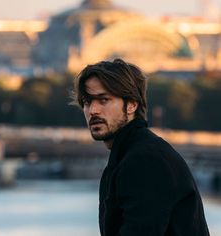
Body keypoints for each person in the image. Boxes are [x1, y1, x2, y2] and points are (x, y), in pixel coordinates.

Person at [74, 58, 210, 236]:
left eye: (104, 100)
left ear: (131, 104)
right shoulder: (131, 156)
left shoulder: (145, 160)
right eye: (87, 102)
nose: (93, 110)